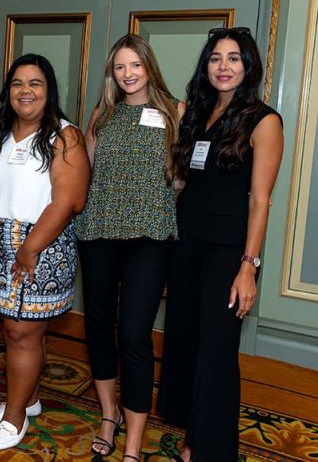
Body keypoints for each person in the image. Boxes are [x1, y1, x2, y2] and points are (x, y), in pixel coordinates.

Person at [159, 27, 283, 462]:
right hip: (188, 244)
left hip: (230, 252)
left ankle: (208, 451)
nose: (223, 66)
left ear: (248, 67)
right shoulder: (199, 113)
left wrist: (249, 265)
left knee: (215, 349)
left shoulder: (264, 120)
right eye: (215, 58)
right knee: (186, 340)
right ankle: (193, 432)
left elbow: (261, 200)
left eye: (234, 58)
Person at [75, 34, 184, 460]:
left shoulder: (175, 111)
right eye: (119, 67)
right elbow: (87, 170)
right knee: (99, 325)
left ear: (148, 66)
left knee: (135, 333)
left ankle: (135, 440)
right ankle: (108, 415)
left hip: (150, 235)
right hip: (98, 231)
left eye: (134, 65)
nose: (127, 74)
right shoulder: (103, 114)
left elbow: (182, 177)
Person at [0, 54, 89, 450]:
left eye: (35, 84)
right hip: (0, 242)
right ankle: (27, 399)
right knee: (23, 331)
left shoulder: (65, 136)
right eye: (17, 83)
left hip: (40, 243)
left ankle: (14, 417)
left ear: (49, 91)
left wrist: (30, 248)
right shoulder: (0, 132)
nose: (25, 91)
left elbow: (69, 201)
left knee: (21, 331)